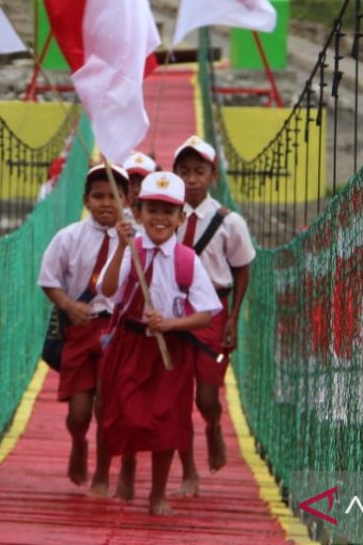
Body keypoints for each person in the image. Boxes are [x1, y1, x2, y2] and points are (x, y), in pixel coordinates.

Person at [97, 171, 222, 515]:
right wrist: (121, 247)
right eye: (152, 210)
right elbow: (107, 291)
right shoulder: (132, 250)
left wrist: (171, 323)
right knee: (127, 414)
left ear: (181, 218)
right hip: (132, 345)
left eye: (169, 212)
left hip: (170, 351)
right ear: (138, 214)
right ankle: (128, 467)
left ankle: (156, 493)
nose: (160, 219)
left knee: (166, 421)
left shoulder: (187, 261)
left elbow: (207, 314)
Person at [171, 135, 257, 495]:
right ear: (174, 175)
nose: (192, 179)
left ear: (213, 176)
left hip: (213, 314)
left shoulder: (229, 221)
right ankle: (189, 470)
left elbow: (242, 268)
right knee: (176, 397)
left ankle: (213, 423)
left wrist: (234, 317)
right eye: (184, 172)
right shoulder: (164, 216)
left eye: (199, 172)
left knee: (206, 396)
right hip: (175, 312)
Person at [37, 163, 130, 494]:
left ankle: (103, 472)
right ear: (86, 200)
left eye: (115, 197)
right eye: (98, 196)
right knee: (79, 412)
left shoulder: (136, 241)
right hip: (80, 327)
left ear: (127, 200)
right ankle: (78, 441)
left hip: (116, 331)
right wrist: (68, 305)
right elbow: (48, 280)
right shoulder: (69, 237)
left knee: (107, 406)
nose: (106, 203)